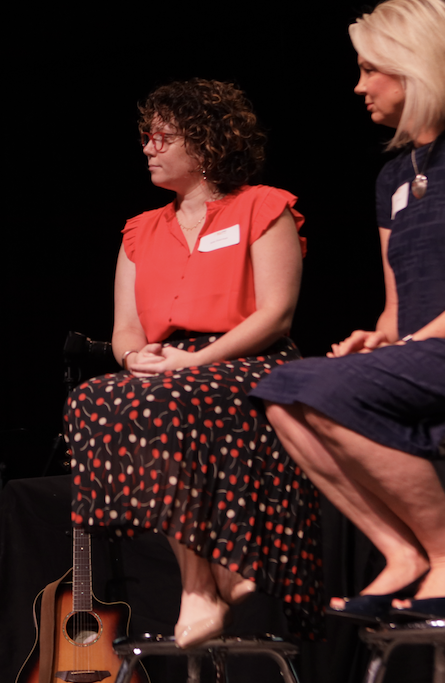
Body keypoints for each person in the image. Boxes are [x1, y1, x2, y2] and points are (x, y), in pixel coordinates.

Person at [251, 0, 445, 621]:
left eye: (371, 68)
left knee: (320, 391)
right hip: (433, 356)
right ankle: (401, 551)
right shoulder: (393, 177)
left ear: (414, 65)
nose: (358, 84)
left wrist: (414, 346)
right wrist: (382, 337)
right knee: (280, 391)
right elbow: (400, 308)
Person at [65, 79, 323, 648]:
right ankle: (217, 577)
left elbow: (276, 314)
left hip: (249, 357)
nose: (148, 148)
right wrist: (139, 357)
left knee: (177, 395)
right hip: (167, 364)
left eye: (161, 138)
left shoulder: (264, 206)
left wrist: (195, 360)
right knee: (94, 398)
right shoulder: (140, 229)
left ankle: (199, 587)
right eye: (146, 138)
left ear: (205, 143)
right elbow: (125, 329)